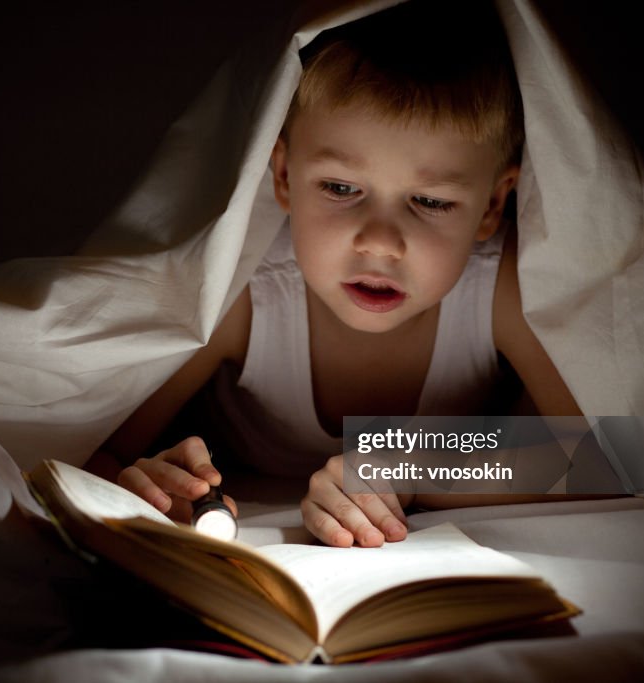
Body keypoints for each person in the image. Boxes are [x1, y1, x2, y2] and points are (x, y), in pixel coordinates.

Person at [85, 0, 580, 547]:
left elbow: (624, 458)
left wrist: (412, 470)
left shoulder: (502, 286)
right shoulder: (245, 293)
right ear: (282, 177)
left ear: (491, 206)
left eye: (431, 202)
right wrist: (149, 487)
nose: (380, 242)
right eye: (341, 188)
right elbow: (92, 447)